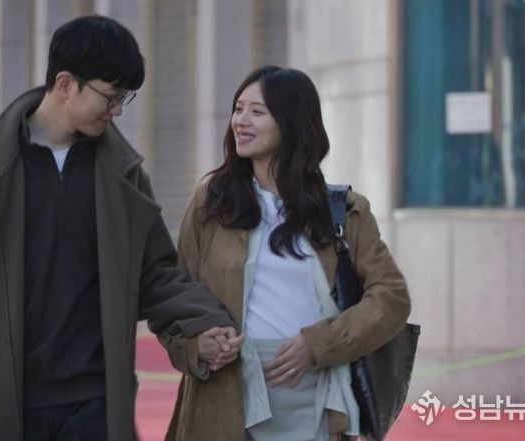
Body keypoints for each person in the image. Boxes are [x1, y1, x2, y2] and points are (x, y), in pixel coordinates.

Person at [0, 15, 241, 441]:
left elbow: (154, 274)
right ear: (66, 83)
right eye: (111, 96)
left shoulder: (123, 175)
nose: (118, 110)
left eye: (125, 98)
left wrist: (203, 321)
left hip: (93, 403)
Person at [163, 66, 411, 441]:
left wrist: (318, 344)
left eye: (257, 112)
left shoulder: (343, 210)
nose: (240, 121)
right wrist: (195, 345)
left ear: (291, 122)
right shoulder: (211, 205)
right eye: (238, 109)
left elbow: (391, 297)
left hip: (315, 399)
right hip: (223, 398)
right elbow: (175, 295)